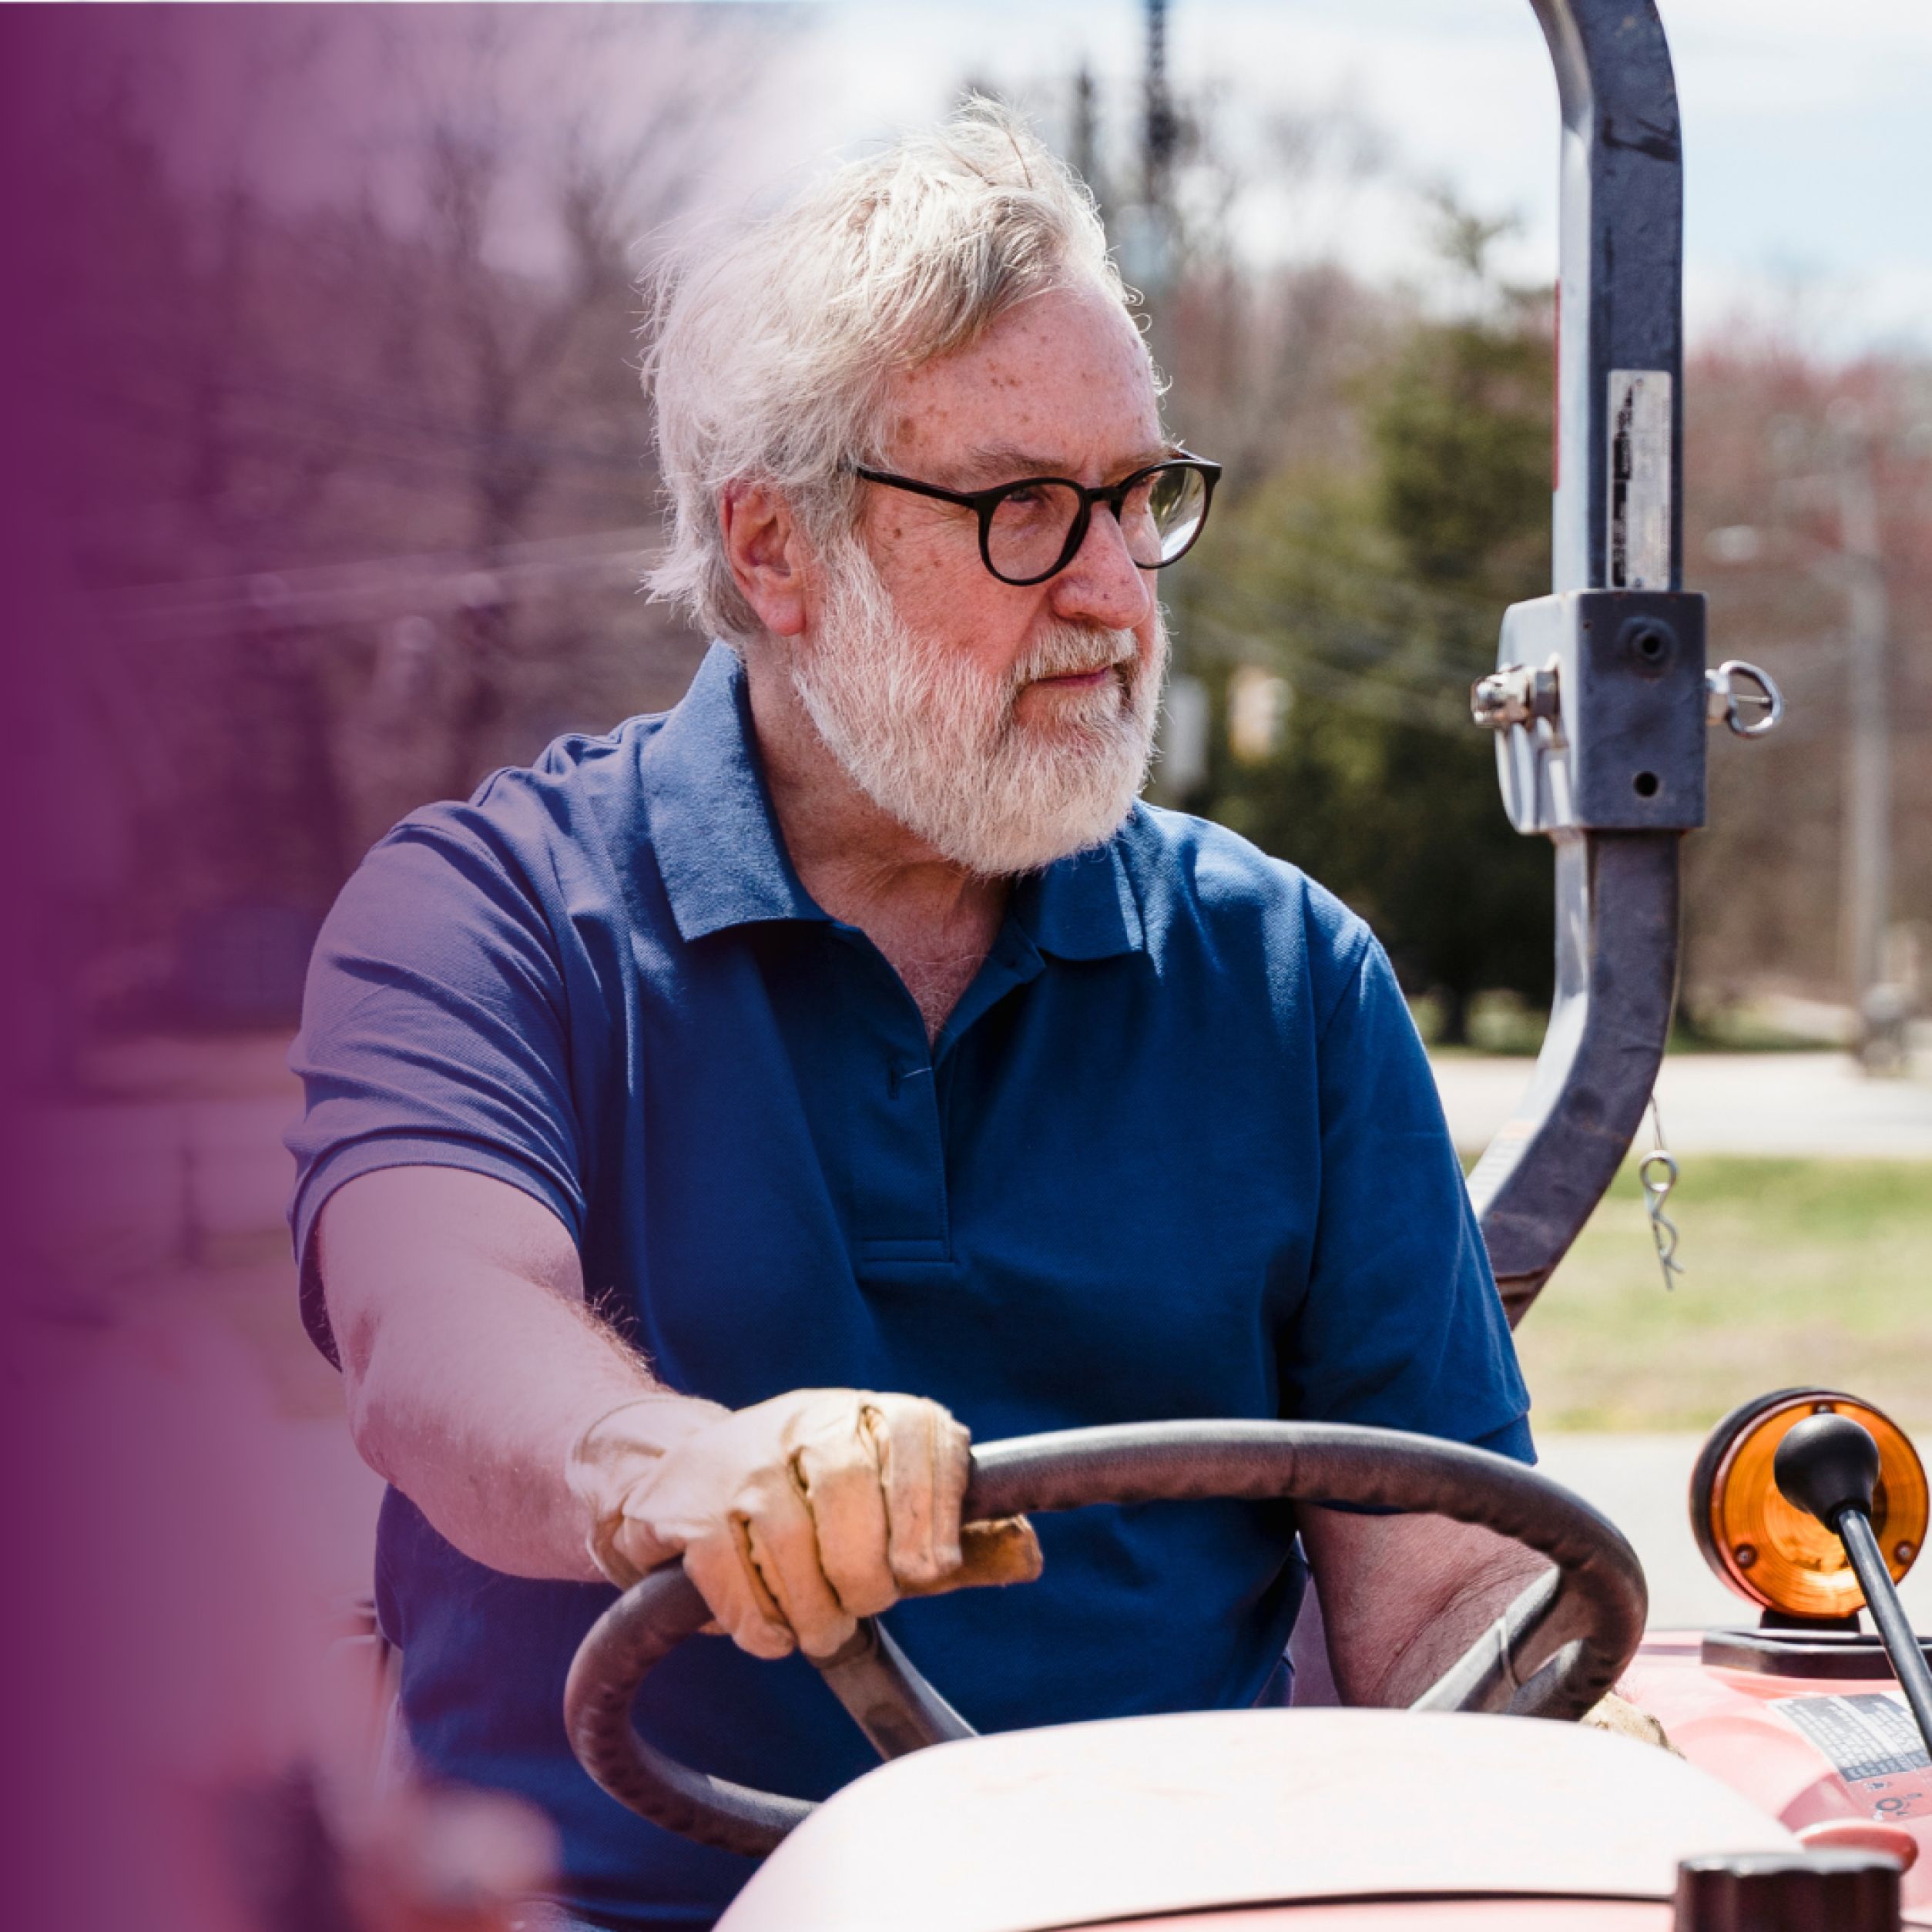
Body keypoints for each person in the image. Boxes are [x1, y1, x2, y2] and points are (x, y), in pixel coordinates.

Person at [288, 104, 1541, 1932]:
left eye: (1139, 499)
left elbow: (1436, 1593)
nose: (1114, 593)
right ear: (778, 551)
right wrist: (688, 1467)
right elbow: (438, 1327)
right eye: (1024, 509)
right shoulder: (486, 918)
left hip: (1163, 1912)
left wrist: (1553, 1739)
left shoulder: (1288, 979)